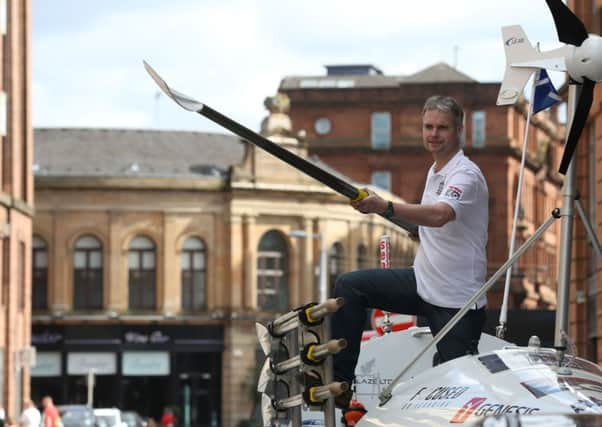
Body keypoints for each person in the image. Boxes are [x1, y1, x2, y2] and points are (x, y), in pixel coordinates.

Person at [332, 95, 489, 409]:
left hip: (457, 299)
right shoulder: (435, 171)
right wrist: (382, 212)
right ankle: (340, 385)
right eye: (428, 127)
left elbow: (440, 214)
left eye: (442, 128)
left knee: (454, 390)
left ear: (459, 129)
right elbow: (429, 222)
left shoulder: (465, 175)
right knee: (349, 286)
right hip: (423, 282)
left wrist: (386, 205)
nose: (433, 134)